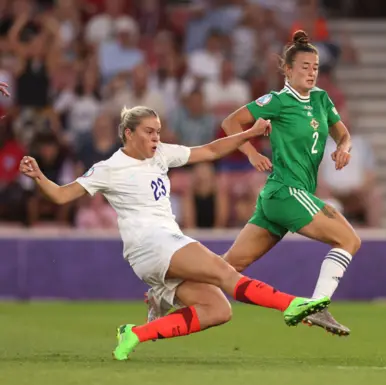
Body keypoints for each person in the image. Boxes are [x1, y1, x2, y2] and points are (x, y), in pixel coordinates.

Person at [19, 105, 330, 361]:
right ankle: (292, 305)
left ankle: (134, 333)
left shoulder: (160, 155)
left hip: (165, 246)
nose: (156, 137)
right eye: (149, 132)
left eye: (158, 131)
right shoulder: (109, 168)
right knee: (223, 271)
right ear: (129, 134)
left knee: (218, 310)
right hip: (151, 244)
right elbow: (61, 196)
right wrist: (38, 176)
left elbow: (209, 151)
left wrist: (249, 134)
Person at [214, 30, 359, 336]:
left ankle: (163, 295)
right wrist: (251, 151)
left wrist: (344, 148)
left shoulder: (321, 99)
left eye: (315, 67)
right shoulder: (278, 101)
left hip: (278, 198)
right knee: (349, 240)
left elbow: (342, 134)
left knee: (225, 269)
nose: (311, 72)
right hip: (287, 191)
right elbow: (230, 123)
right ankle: (318, 306)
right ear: (288, 70)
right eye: (304, 67)